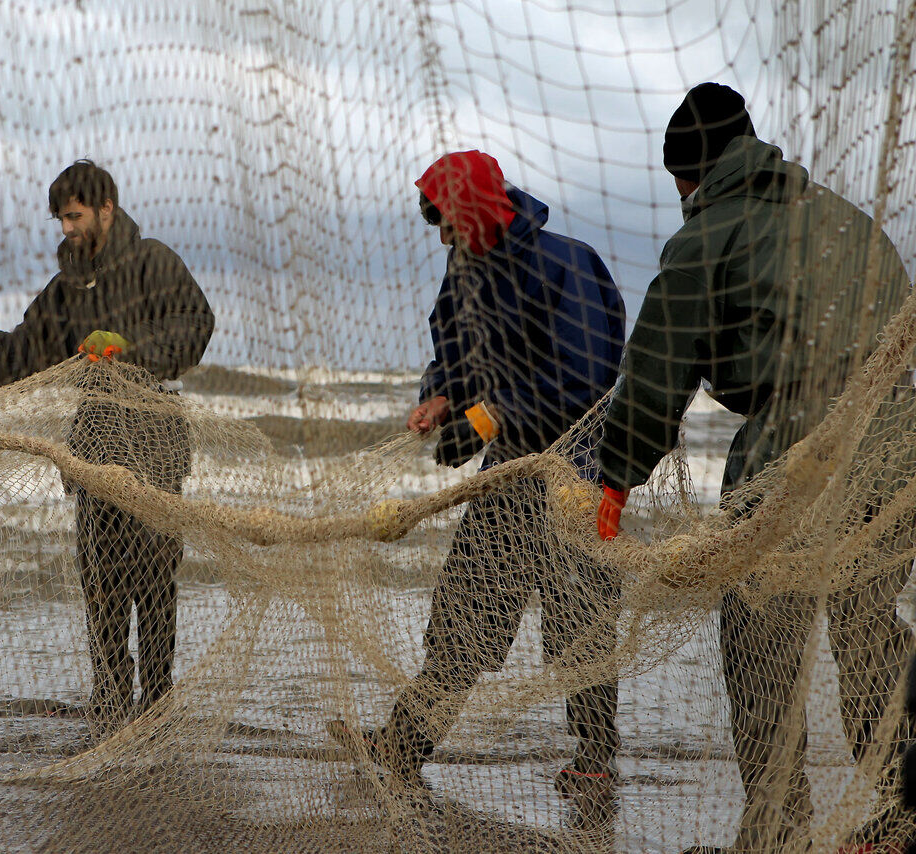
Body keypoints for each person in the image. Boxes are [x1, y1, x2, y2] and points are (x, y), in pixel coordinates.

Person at [597, 83, 914, 853]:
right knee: (869, 630)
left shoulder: (707, 233)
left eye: (678, 180)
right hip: (900, 444)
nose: (678, 195)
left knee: (760, 630)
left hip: (796, 453)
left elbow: (656, 367)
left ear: (692, 172)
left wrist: (616, 476)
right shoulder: (843, 215)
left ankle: (774, 827)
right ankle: (909, 800)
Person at [329, 150, 626, 824]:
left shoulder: (565, 263)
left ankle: (595, 760)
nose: (442, 240)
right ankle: (403, 744)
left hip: (578, 471)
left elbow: (586, 377)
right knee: (468, 605)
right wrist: (438, 398)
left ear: (480, 214)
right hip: (509, 466)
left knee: (582, 621)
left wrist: (489, 415)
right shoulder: (464, 269)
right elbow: (456, 352)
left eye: (449, 226)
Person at [0, 159, 214, 732]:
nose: (66, 228)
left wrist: (130, 347)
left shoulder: (154, 260)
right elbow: (26, 353)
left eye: (75, 215)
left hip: (155, 435)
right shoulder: (65, 288)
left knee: (155, 578)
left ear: (106, 209)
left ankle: (157, 703)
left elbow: (197, 323)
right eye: (60, 218)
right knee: (102, 580)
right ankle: (112, 703)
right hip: (93, 440)